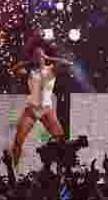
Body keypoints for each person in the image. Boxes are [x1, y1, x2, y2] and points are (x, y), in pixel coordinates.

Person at [9, 34, 72, 170]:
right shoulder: (30, 71)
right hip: (31, 109)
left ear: (45, 56)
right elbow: (14, 70)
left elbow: (68, 64)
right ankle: (15, 169)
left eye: (41, 54)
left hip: (46, 109)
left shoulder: (51, 70)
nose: (39, 57)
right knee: (18, 140)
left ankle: (62, 170)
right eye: (36, 55)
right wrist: (28, 61)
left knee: (61, 141)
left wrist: (49, 58)